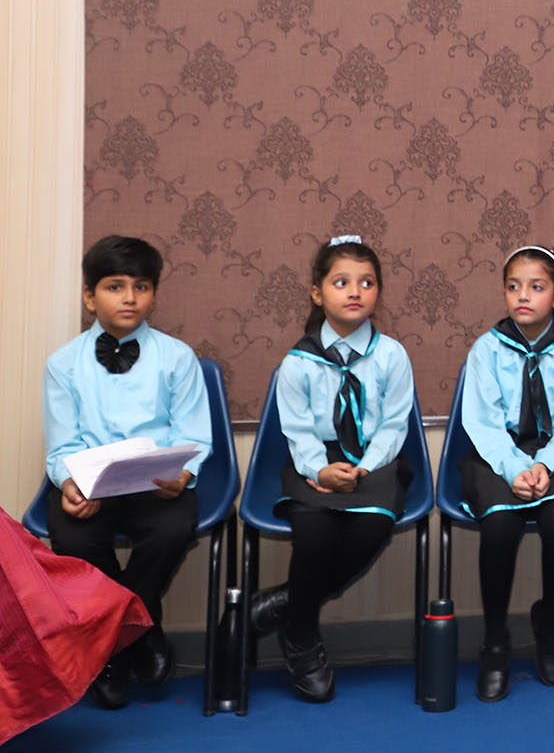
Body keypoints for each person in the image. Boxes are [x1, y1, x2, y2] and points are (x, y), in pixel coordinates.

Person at [41, 234, 210, 709]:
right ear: (89, 296)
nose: (130, 298)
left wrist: (183, 474)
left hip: (154, 483)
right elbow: (62, 444)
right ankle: (139, 628)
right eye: (115, 286)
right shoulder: (63, 365)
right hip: (91, 481)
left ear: (154, 294)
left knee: (173, 530)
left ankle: (117, 638)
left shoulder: (177, 358)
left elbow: (194, 434)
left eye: (142, 286)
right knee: (73, 538)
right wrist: (70, 483)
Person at [248, 234, 415, 702]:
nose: (355, 291)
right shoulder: (297, 363)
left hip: (375, 459)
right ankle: (303, 636)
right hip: (314, 462)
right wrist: (319, 470)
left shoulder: (392, 355)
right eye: (341, 282)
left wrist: (364, 468)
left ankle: (287, 605)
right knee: (315, 536)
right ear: (317, 293)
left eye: (367, 282)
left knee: (370, 530)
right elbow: (297, 430)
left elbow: (395, 424)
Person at [458, 244, 554, 700]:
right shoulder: (486, 350)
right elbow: (482, 423)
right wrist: (516, 467)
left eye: (536, 287)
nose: (523, 295)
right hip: (497, 455)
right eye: (513, 286)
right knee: (500, 524)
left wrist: (543, 463)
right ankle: (495, 639)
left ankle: (550, 621)